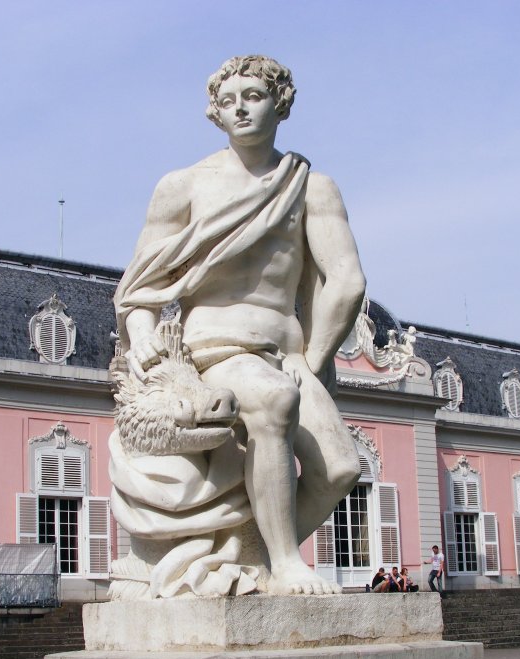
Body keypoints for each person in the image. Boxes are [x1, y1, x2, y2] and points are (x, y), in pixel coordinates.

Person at [115, 55, 366, 596]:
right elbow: (138, 290)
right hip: (214, 347)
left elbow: (346, 281)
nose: (240, 110)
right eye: (227, 103)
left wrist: (315, 360)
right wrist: (142, 340)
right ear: (215, 114)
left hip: (288, 350)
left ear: (281, 102)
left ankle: (246, 556)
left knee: (341, 469)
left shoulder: (309, 187)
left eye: (252, 96)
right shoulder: (183, 186)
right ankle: (284, 562)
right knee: (274, 401)